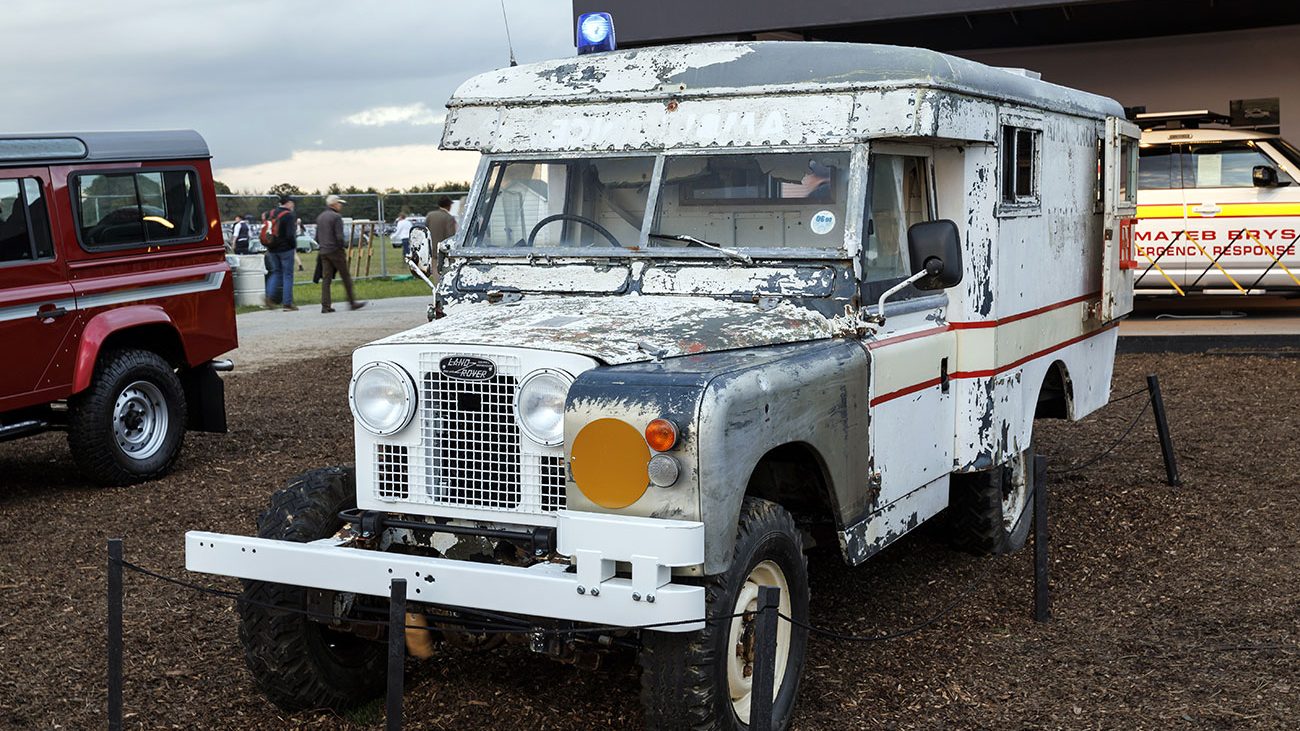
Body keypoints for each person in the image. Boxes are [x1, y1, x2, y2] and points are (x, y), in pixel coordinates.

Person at [316, 194, 366, 313]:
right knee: (345, 277)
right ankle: (352, 302)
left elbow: (317, 237)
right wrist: (341, 247)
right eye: (339, 203)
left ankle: (325, 305)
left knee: (326, 279)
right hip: (335, 251)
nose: (340, 206)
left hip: (323, 251)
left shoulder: (320, 217)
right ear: (333, 204)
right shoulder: (336, 217)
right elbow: (339, 236)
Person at [263, 195, 298, 311]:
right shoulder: (289, 215)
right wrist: (293, 246)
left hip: (272, 248)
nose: (293, 205)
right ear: (288, 203)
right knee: (288, 275)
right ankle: (287, 303)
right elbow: (289, 235)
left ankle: (269, 297)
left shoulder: (271, 213)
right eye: (292, 203)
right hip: (285, 249)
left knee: (276, 272)